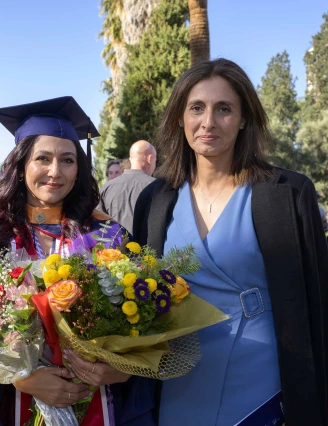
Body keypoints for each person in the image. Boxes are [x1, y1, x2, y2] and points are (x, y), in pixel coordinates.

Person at [133, 59, 328, 426]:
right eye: (196, 108)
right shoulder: (156, 199)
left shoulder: (287, 193)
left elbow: (318, 300)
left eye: (224, 109)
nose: (208, 122)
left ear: (243, 119)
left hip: (263, 374)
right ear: (180, 117)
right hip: (179, 373)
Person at [0, 96, 155, 426]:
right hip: (10, 407)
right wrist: (19, 377)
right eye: (42, 159)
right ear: (20, 167)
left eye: (67, 160)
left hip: (104, 406)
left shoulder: (108, 237)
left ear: (79, 169)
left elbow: (146, 326)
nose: (55, 172)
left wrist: (122, 369)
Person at [99, 140, 156, 234]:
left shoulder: (107, 187)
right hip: (148, 247)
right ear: (150, 159)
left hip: (114, 246)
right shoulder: (158, 187)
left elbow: (98, 222)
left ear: (130, 159)